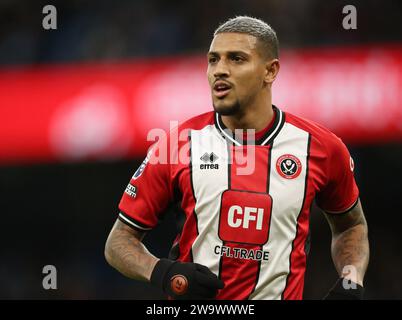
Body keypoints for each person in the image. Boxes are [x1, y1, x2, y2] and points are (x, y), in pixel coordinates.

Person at [105, 16, 369, 300]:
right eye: (213, 60)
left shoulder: (322, 148)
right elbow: (118, 241)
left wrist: (350, 284)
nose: (220, 70)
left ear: (270, 71)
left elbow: (351, 225)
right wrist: (163, 272)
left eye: (236, 59)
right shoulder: (177, 144)